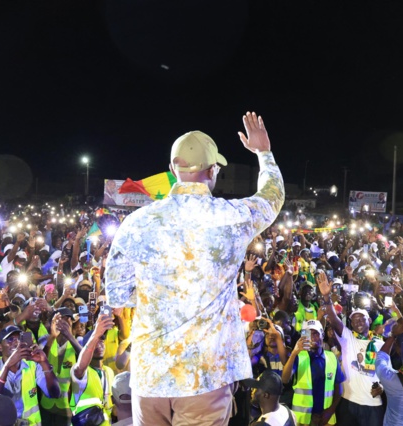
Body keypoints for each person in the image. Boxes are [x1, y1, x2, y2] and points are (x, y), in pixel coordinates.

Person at [105, 112, 285, 425]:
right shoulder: (232, 217)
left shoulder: (136, 222)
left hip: (150, 377)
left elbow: (118, 294)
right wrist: (263, 154)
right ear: (213, 170)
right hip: (204, 377)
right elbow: (272, 197)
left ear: (173, 169)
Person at [316, 273, 385, 426]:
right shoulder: (347, 338)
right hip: (348, 402)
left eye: (362, 318)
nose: (358, 322)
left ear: (370, 320)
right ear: (351, 325)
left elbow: (386, 372)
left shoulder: (380, 344)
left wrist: (382, 386)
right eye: (354, 320)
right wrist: (327, 298)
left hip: (372, 405)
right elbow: (333, 318)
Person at [0, 325, 61, 426]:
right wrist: (7, 367)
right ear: (0, 347)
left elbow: (54, 393)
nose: (16, 343)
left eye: (19, 339)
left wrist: (44, 363)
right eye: (10, 339)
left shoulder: (32, 365)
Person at [281, 319, 344, 426]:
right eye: (308, 334)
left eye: (316, 333)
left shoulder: (331, 357)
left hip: (326, 418)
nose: (312, 337)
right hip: (302, 419)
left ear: (322, 335)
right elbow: (284, 379)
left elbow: (339, 388)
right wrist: (294, 353)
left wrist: (330, 411)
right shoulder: (298, 357)